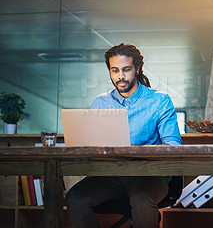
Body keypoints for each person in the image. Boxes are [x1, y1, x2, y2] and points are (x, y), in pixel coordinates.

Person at [66, 43, 182, 228]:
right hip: (110, 176)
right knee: (75, 198)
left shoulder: (159, 101)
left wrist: (139, 150)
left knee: (142, 199)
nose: (120, 76)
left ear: (137, 69)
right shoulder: (101, 102)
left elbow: (173, 145)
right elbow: (92, 143)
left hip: (149, 175)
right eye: (115, 70)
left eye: (126, 70)